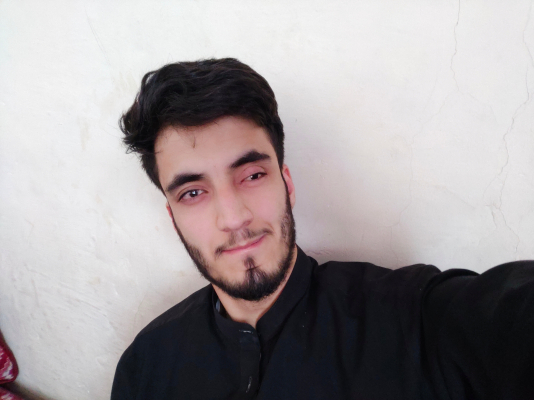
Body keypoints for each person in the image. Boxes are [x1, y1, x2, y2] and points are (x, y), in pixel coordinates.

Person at [111, 58, 534, 400]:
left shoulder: (411, 320)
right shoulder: (146, 365)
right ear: (172, 217)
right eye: (193, 193)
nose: (234, 217)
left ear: (287, 184)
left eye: (253, 175)